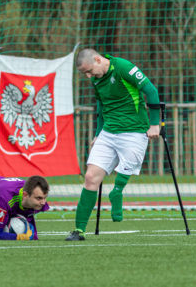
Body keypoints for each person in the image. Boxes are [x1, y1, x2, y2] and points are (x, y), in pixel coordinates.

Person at [66, 48, 160, 241]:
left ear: (98, 59)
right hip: (108, 133)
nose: (89, 76)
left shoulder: (123, 67)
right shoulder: (96, 79)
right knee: (91, 177)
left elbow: (151, 90)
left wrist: (155, 124)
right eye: (85, 74)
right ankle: (79, 230)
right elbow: (101, 106)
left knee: (127, 167)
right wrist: (98, 134)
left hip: (134, 130)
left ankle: (117, 192)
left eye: (89, 71)